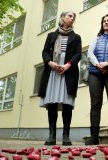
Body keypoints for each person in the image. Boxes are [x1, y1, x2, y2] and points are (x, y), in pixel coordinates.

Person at [38, 11, 82, 146]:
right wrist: (50, 63)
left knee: (67, 104)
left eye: (73, 17)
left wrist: (68, 65)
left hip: (68, 72)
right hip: (52, 71)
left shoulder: (77, 37)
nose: (72, 18)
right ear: (62, 18)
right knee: (52, 104)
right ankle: (51, 135)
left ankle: (66, 136)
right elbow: (45, 52)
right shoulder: (51, 35)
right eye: (69, 15)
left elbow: (78, 54)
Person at [86, 14, 108, 145]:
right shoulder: (96, 38)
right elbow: (89, 53)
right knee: (95, 104)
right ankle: (94, 137)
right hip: (95, 73)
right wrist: (98, 64)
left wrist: (107, 62)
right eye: (104, 21)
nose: (106, 23)